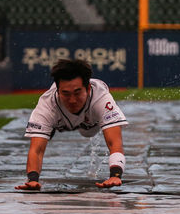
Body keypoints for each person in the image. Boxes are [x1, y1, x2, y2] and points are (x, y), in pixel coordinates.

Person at [16, 59, 128, 191]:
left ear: (88, 88)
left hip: (91, 124)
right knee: (42, 131)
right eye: (66, 94)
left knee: (88, 132)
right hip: (60, 121)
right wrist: (33, 179)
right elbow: (37, 150)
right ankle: (49, 129)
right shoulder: (47, 104)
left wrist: (115, 175)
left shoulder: (101, 98)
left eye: (77, 92)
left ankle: (53, 127)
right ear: (57, 90)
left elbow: (114, 143)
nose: (72, 100)